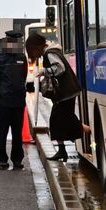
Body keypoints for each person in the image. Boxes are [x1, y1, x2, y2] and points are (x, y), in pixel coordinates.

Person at [26, 33, 87, 162]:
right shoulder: (52, 51)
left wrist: (45, 72)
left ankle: (81, 132)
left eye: (32, 51)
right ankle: (63, 149)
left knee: (58, 119)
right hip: (66, 92)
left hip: (66, 92)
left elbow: (60, 68)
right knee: (63, 118)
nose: (34, 55)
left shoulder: (50, 53)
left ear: (36, 47)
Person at [0, 30, 30, 170]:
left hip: (17, 100)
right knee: (2, 131)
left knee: (17, 132)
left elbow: (24, 76)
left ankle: (17, 159)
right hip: (3, 101)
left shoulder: (22, 57)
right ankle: (2, 159)